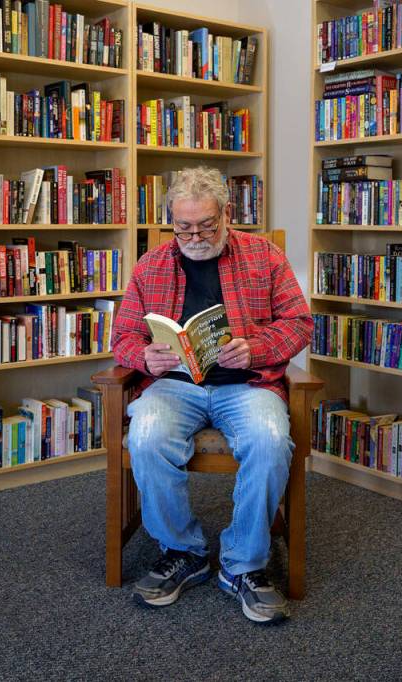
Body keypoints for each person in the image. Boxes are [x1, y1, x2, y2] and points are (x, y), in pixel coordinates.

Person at [110, 166, 313, 624]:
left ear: (227, 214)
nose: (195, 236)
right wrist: (146, 357)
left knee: (269, 441)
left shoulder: (265, 256)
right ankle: (184, 551)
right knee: (145, 437)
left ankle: (244, 563)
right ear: (170, 220)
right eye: (184, 226)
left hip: (246, 384)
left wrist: (255, 348)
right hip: (174, 386)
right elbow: (122, 336)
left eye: (207, 225)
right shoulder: (151, 265)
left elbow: (299, 323)